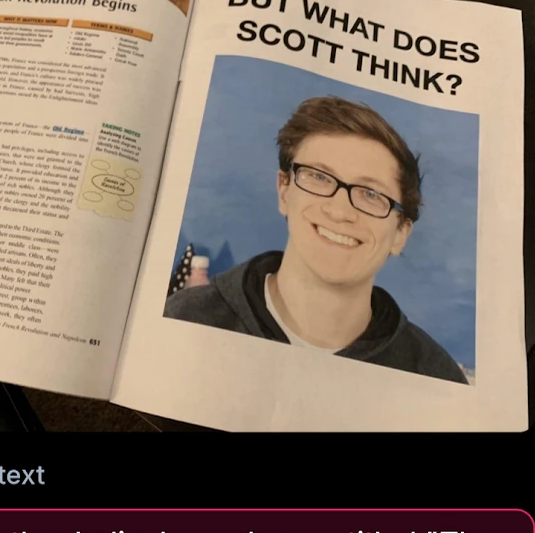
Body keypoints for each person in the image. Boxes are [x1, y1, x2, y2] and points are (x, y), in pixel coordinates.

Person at [164, 95, 468, 383]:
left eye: (371, 194)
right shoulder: (184, 318)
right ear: (284, 190)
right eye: (319, 177)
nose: (339, 211)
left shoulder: (437, 377)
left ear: (401, 233)